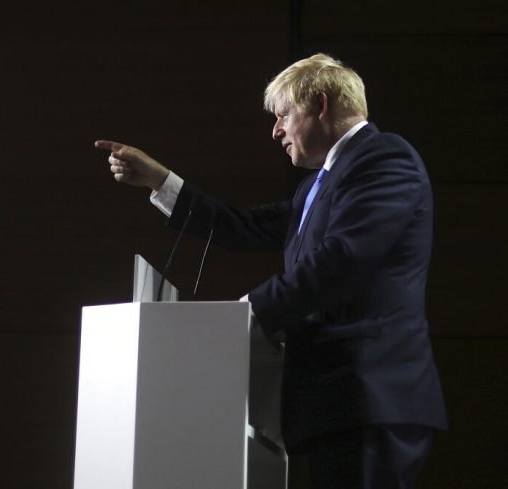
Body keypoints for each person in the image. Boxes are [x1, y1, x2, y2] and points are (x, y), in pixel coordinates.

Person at [94, 53, 447, 489]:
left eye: (283, 115)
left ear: (319, 104)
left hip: (371, 396)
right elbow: (241, 227)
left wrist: (247, 313)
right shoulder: (315, 188)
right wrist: (160, 181)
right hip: (335, 403)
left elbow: (342, 258)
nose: (275, 130)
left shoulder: (384, 158)